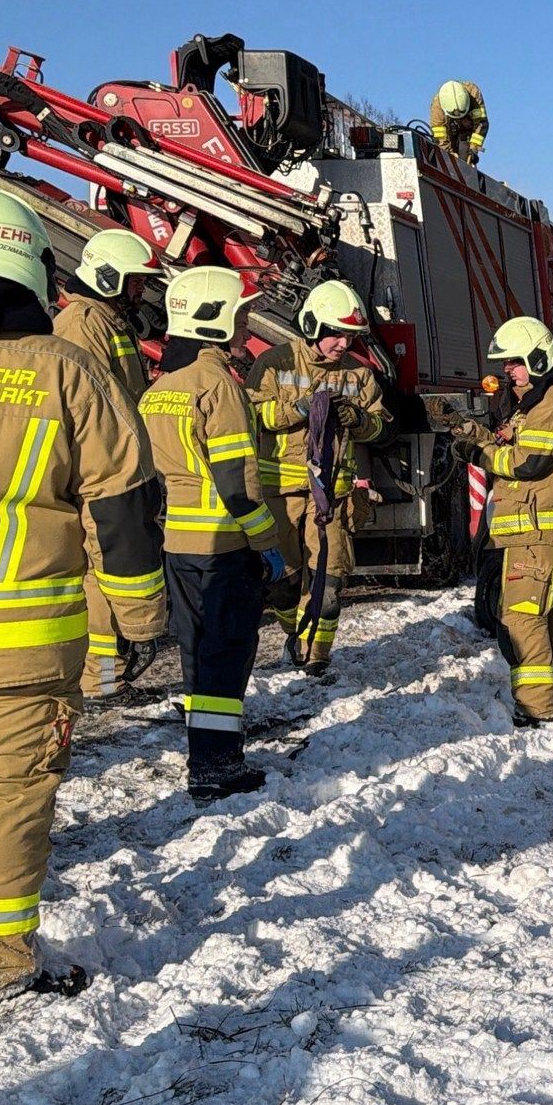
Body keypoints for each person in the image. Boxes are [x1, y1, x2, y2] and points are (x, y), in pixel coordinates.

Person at [0, 183, 166, 1001]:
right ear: (34, 271)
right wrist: (140, 615)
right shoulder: (67, 372)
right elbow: (122, 506)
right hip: (21, 649)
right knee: (3, 797)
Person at [139, 266, 291, 799]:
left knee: (196, 649)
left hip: (176, 543)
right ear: (216, 318)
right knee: (227, 653)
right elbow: (237, 479)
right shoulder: (218, 386)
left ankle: (202, 754)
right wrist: (266, 542)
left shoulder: (160, 388)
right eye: (242, 314)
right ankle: (217, 768)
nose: (245, 323)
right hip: (223, 544)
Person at [449, 317, 553, 725]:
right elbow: (509, 442)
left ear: (538, 357)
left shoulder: (552, 402)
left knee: (521, 618)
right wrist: (468, 431)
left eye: (514, 362)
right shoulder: (541, 399)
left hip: (539, 531)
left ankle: (536, 708)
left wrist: (478, 456)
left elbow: (527, 462)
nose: (507, 370)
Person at [245, 280, 388, 676]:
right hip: (282, 493)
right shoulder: (274, 364)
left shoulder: (359, 377)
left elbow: (381, 429)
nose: (343, 345)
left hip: (334, 498)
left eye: (350, 337)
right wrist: (300, 409)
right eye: (336, 335)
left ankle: (317, 657)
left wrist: (360, 421)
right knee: (284, 583)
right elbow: (255, 417)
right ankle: (296, 635)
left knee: (329, 586)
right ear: (313, 326)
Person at [53, 229, 163, 699]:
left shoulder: (109, 321)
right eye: (135, 281)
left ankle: (112, 673)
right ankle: (102, 683)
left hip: (120, 465)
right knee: (98, 578)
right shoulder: (83, 323)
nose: (140, 290)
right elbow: (94, 404)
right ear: (108, 276)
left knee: (112, 575)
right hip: (99, 473)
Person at [430, 80, 488, 165]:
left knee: (466, 160)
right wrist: (448, 153)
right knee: (449, 162)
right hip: (449, 131)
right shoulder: (437, 109)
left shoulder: (473, 93)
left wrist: (474, 148)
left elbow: (481, 124)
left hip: (468, 130)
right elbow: (440, 137)